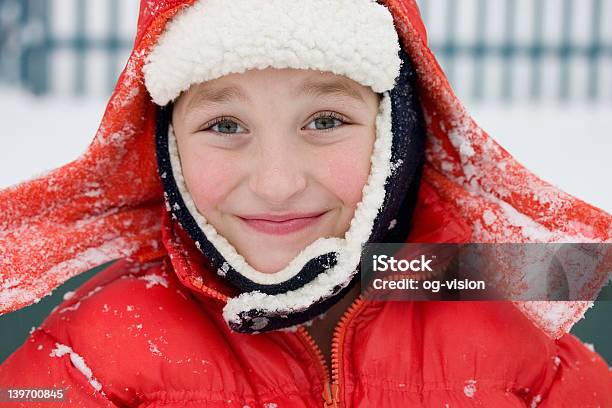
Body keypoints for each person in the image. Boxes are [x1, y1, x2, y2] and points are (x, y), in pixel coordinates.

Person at [0, 0, 610, 406]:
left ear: (398, 135)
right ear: (168, 151)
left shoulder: (513, 326)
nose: (276, 182)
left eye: (325, 119)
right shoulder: (92, 353)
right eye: (223, 125)